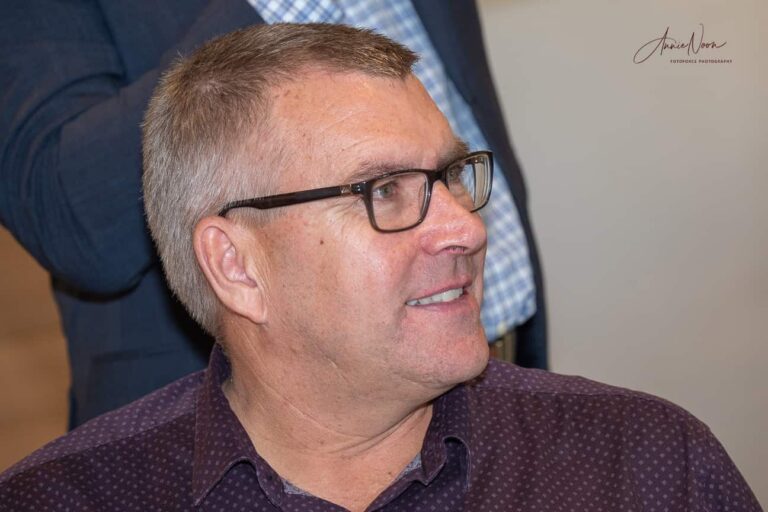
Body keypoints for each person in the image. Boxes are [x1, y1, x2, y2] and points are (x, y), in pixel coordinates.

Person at [0, 24, 760, 512]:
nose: (466, 228)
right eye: (383, 190)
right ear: (235, 266)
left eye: (452, 177)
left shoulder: (645, 467)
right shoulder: (67, 497)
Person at [0, 0, 545, 427]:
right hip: (233, 438)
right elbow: (67, 217)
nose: (468, 230)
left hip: (496, 376)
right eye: (382, 190)